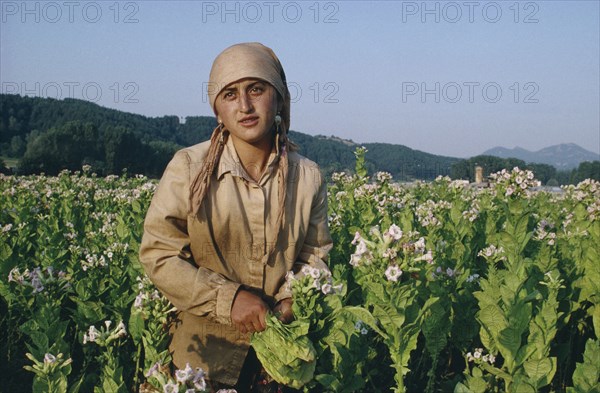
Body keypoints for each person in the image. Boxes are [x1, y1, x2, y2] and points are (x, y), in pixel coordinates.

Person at [139, 42, 332, 391]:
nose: (244, 105)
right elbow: (160, 255)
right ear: (217, 110)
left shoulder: (307, 177)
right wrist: (228, 300)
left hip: (279, 358)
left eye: (256, 89)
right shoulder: (189, 168)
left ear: (278, 98)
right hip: (199, 358)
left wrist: (289, 301)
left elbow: (314, 255)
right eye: (229, 94)